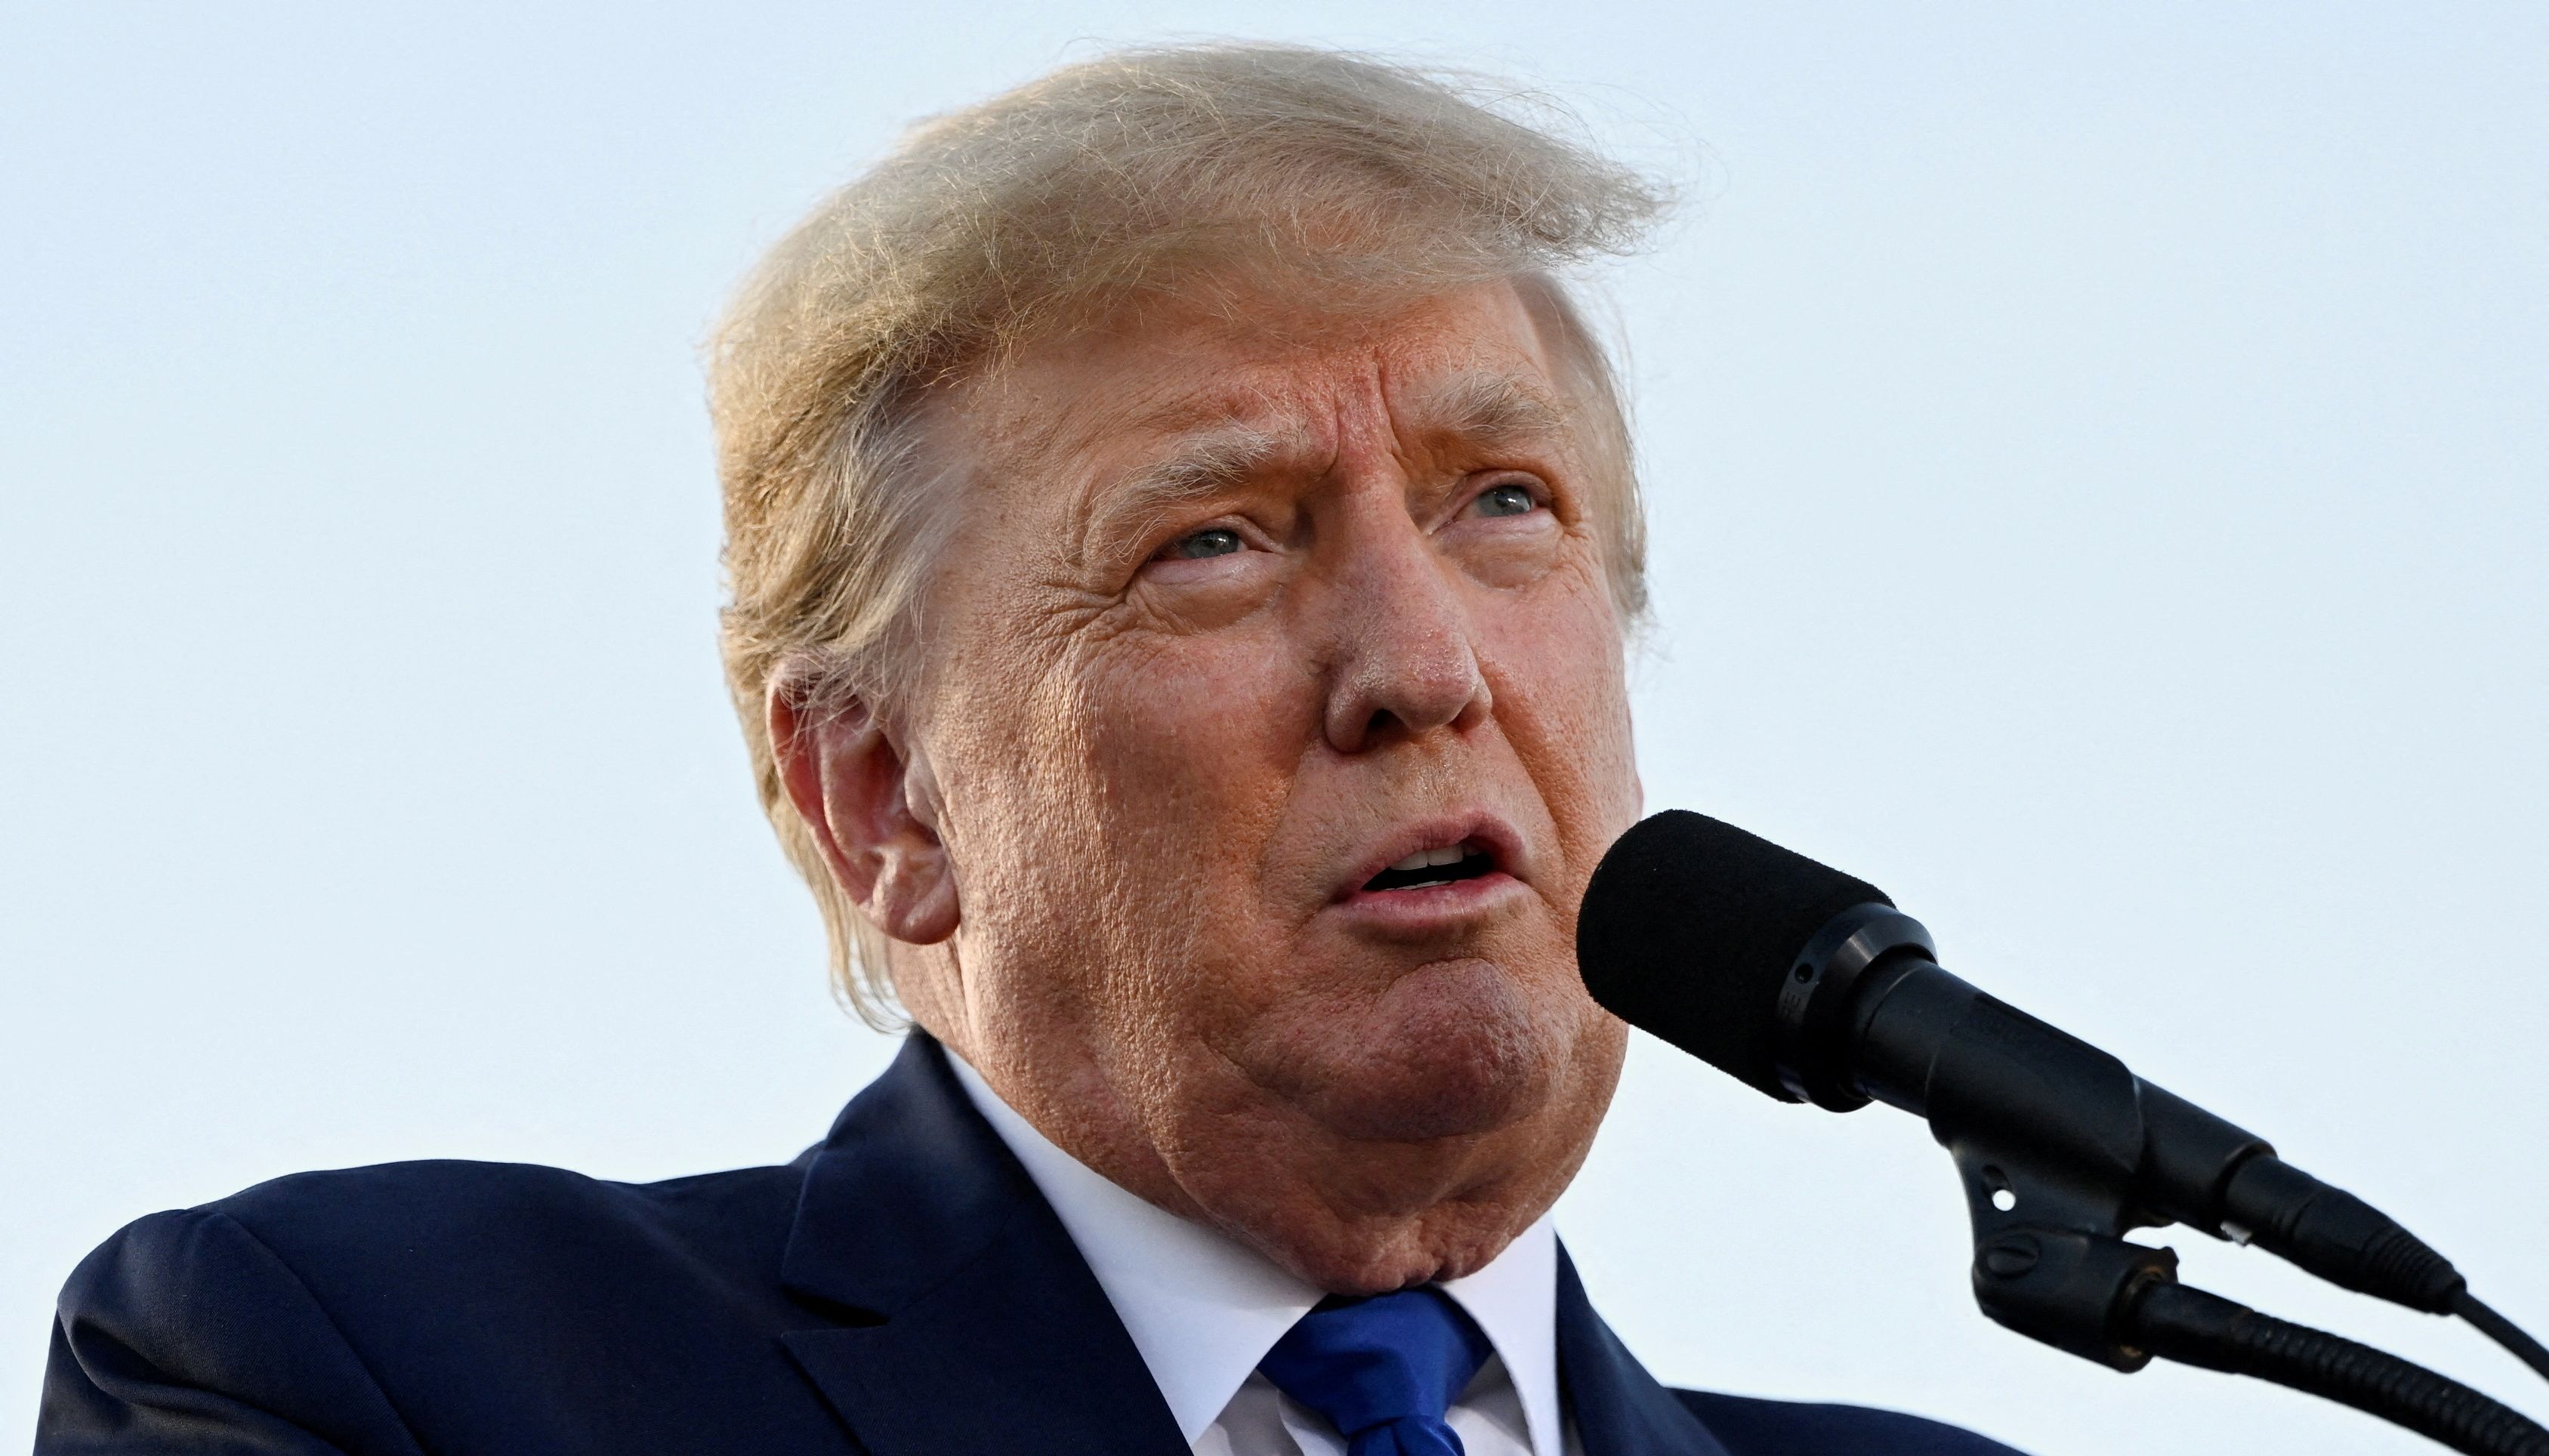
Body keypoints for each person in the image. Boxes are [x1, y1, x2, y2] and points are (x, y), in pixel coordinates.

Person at [39, 44, 2024, 1456]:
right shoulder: (376, 1368)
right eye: (1217, 540)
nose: (1425, 669)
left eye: (1503, 502)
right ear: (882, 798)